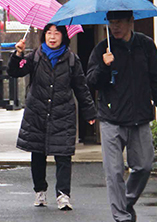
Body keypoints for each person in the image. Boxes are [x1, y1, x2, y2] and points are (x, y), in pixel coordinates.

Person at [86, 10, 157, 222]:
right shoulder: (102, 49)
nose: (116, 27)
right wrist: (104, 66)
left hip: (140, 116)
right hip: (111, 118)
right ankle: (122, 217)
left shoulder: (145, 45)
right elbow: (91, 81)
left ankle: (127, 202)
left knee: (143, 166)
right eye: (112, 23)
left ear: (131, 22)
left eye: (120, 22)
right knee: (113, 172)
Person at [9, 23, 96, 210]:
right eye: (49, 33)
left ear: (64, 36)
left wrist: (89, 111)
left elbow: (81, 87)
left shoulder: (72, 59)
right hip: (37, 112)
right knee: (37, 154)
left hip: (62, 113)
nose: (53, 36)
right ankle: (39, 191)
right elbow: (15, 71)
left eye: (57, 33)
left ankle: (63, 195)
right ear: (44, 36)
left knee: (63, 155)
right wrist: (18, 55)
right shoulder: (35, 56)